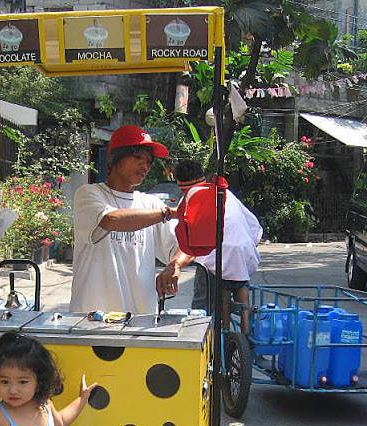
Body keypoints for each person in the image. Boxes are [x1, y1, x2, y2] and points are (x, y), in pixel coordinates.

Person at [69, 125, 181, 314]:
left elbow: (184, 246)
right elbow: (111, 220)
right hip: (91, 319)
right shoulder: (89, 194)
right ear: (115, 159)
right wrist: (168, 213)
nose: (145, 166)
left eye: (149, 161)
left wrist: (174, 265)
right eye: (137, 157)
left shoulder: (150, 203)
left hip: (140, 321)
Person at [159, 159, 263, 333]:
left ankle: (202, 338)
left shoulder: (190, 200)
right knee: (240, 281)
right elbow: (255, 228)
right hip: (243, 255)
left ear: (180, 185)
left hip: (215, 263)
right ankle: (246, 333)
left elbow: (190, 244)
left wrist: (176, 265)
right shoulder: (225, 193)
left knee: (201, 311)